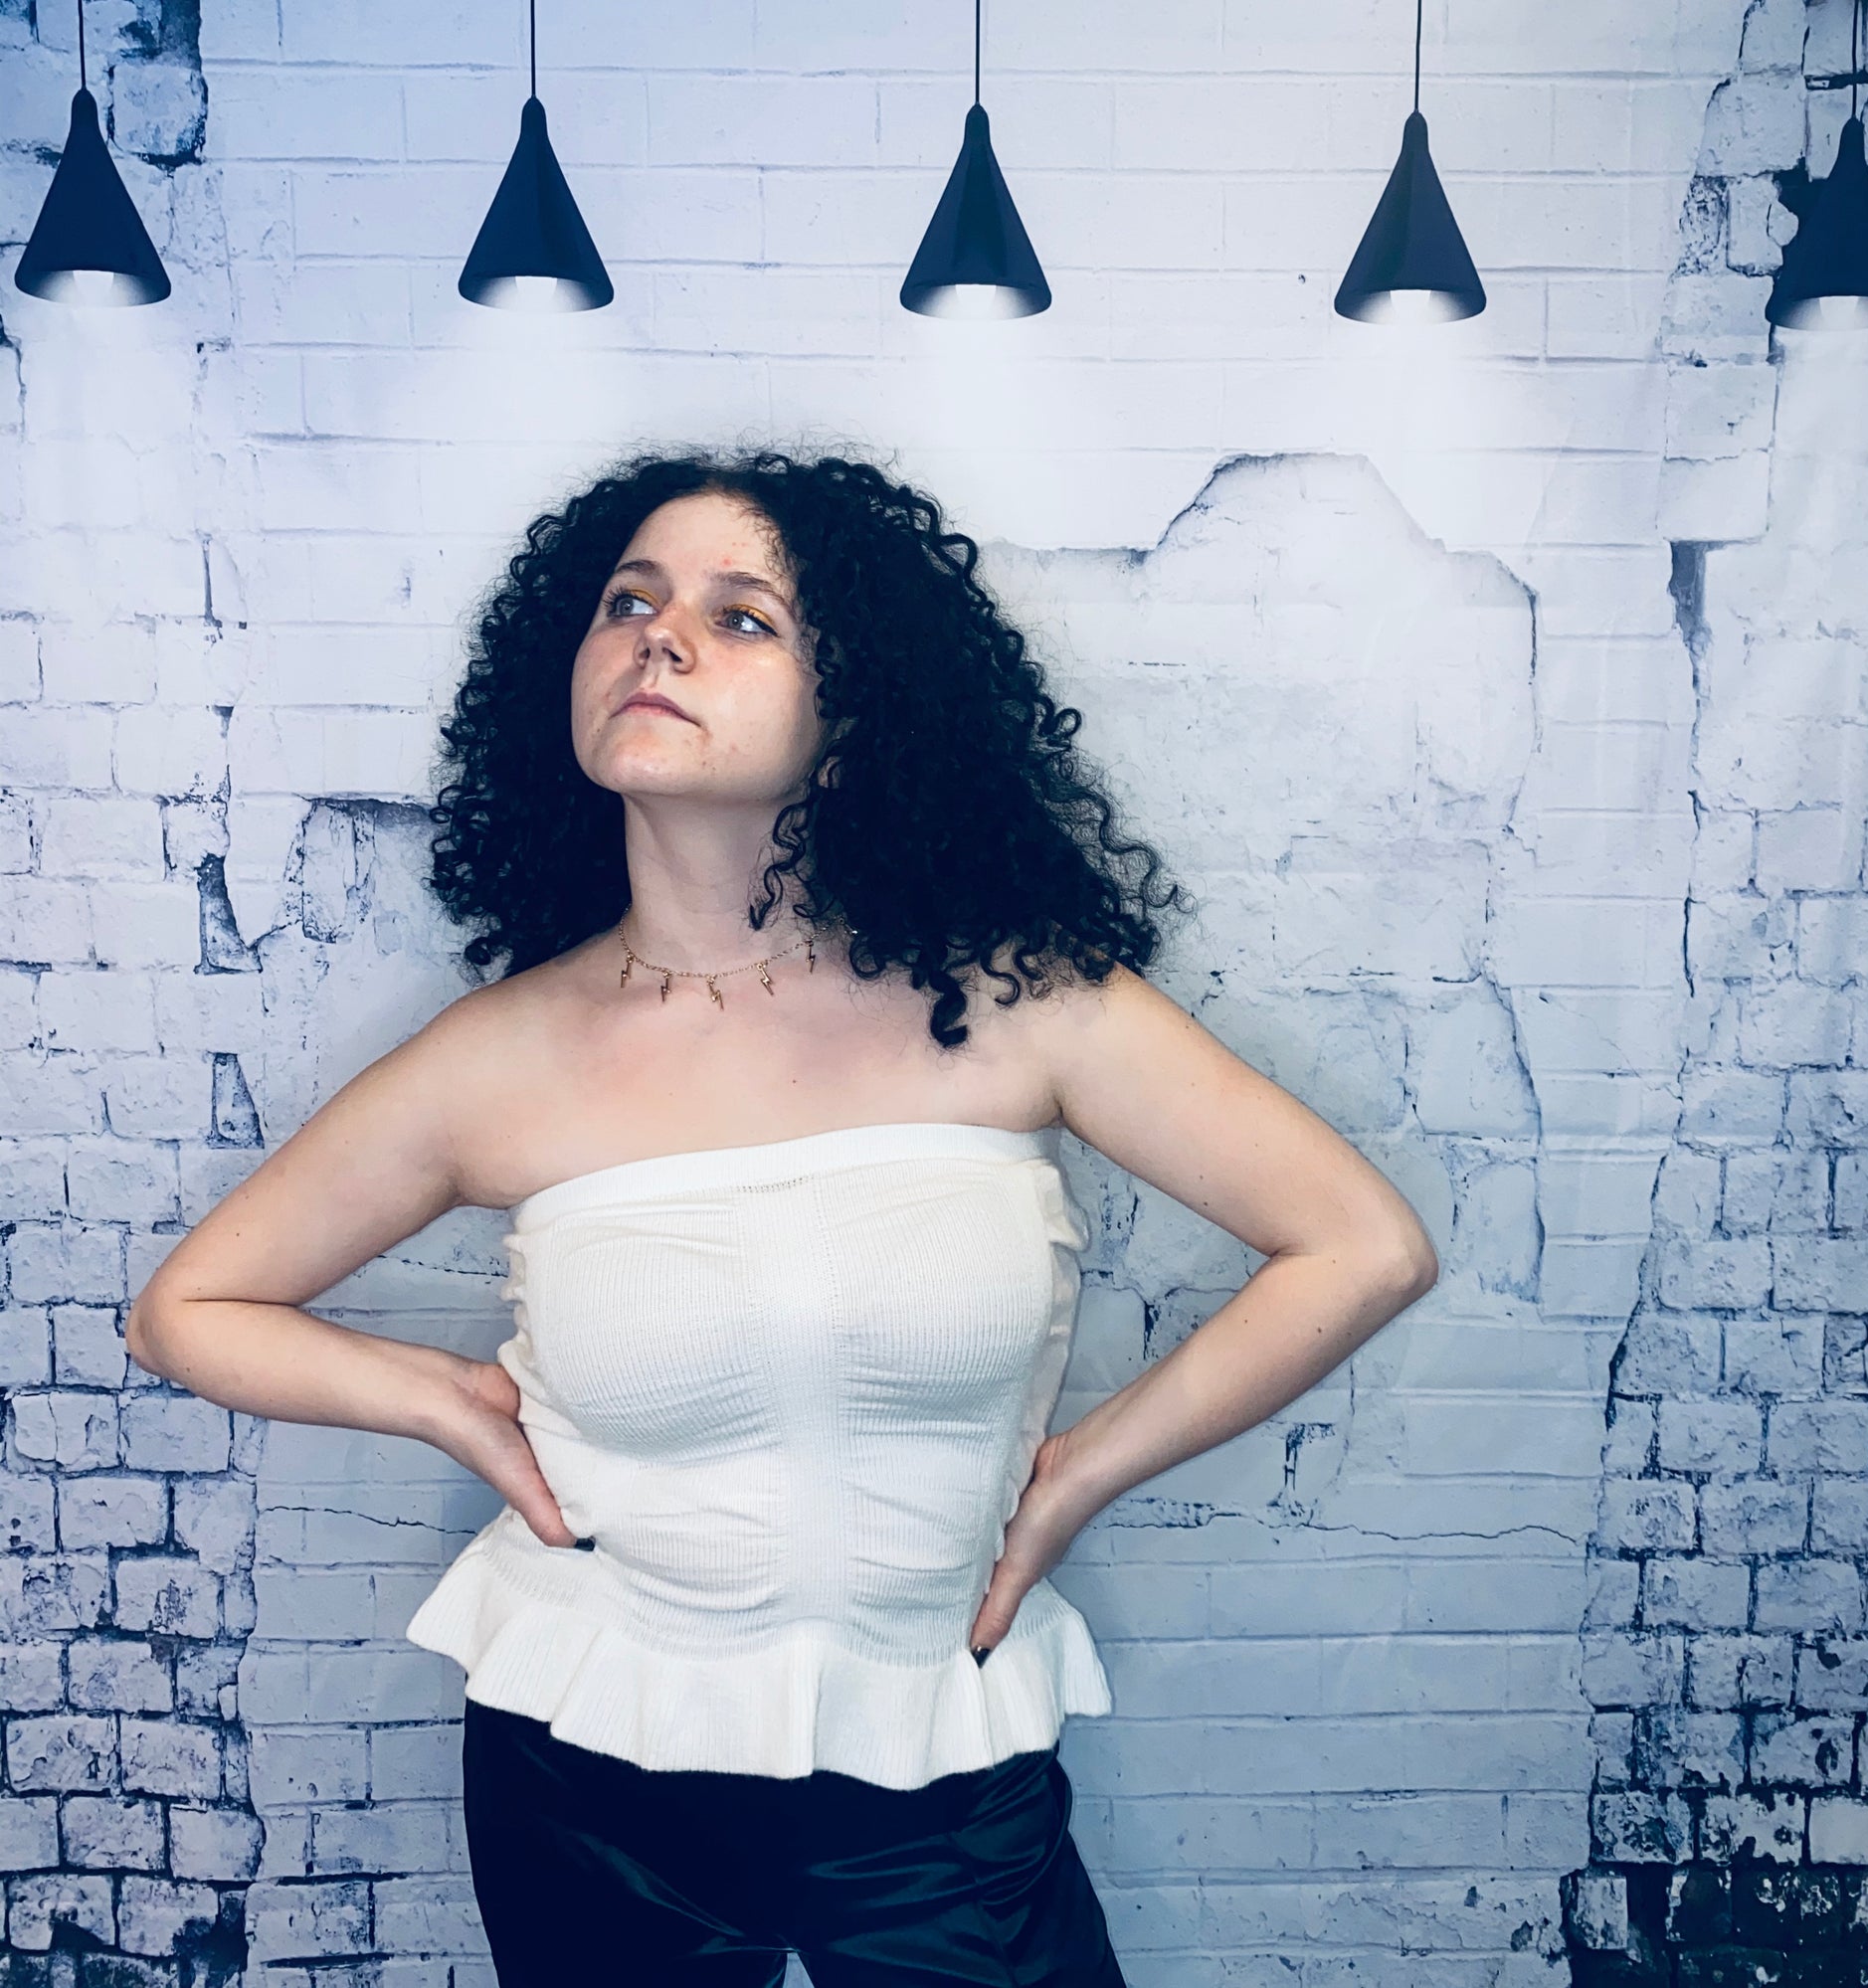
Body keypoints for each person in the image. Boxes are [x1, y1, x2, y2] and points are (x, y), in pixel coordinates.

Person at [126, 448, 1439, 1985]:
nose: (658, 639)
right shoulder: (498, 1057)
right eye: (627, 603)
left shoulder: (1020, 1001)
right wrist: (439, 1400)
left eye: (741, 617)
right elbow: (184, 1312)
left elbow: (1361, 1246)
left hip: (940, 1766)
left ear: (857, 708)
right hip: (585, 1769)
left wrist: (1076, 1477)